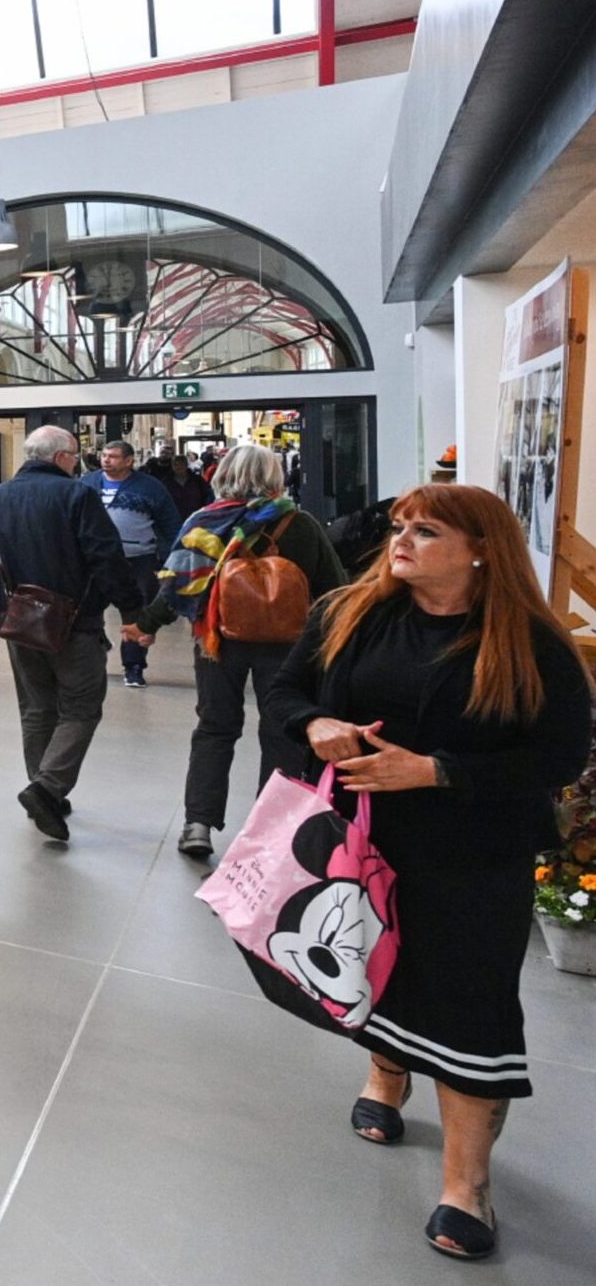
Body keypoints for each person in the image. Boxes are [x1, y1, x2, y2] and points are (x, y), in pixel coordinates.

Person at [261, 485, 591, 1264]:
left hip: (474, 858)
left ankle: (466, 1182)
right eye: (401, 525)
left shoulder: (531, 642)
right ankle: (386, 1075)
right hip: (357, 844)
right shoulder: (350, 611)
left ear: (481, 550)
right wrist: (318, 723)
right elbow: (285, 689)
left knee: (470, 1005)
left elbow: (558, 756)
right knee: (375, 970)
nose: (401, 539)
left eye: (426, 529)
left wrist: (437, 771)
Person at [132, 444, 346, 859]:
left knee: (215, 728)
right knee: (282, 732)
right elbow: (334, 589)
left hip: (218, 641)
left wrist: (145, 626)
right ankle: (270, 832)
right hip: (288, 646)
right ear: (274, 477)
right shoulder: (298, 523)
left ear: (222, 474)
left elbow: (177, 583)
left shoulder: (204, 521)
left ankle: (198, 824)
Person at [0, 426, 141, 843]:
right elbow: (105, 555)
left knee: (37, 708)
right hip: (75, 623)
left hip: (20, 621)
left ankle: (43, 789)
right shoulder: (77, 496)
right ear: (60, 457)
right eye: (75, 456)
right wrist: (132, 612)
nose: (78, 464)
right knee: (80, 707)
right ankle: (46, 788)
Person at [83, 440, 183, 688]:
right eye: (104, 455)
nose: (107, 460)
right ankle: (95, 650)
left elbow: (170, 524)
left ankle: (134, 665)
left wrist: (172, 560)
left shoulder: (150, 488)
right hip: (95, 560)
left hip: (138, 559)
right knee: (87, 609)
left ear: (129, 461)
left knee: (136, 613)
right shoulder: (86, 484)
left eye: (114, 456)